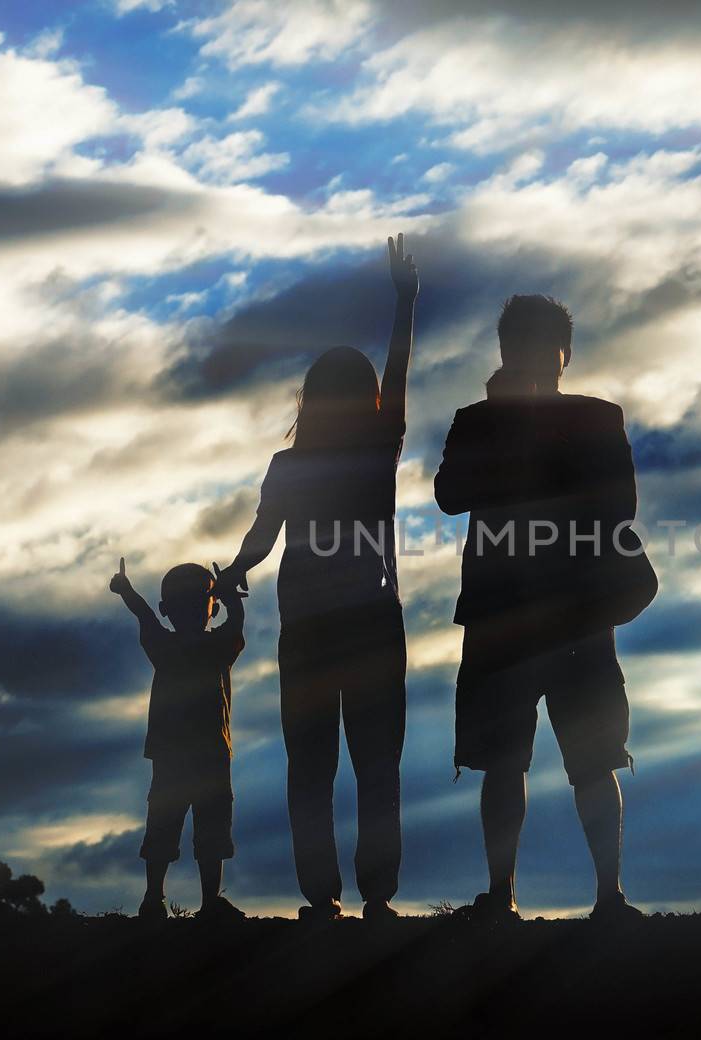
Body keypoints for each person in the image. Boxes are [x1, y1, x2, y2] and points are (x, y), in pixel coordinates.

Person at [213, 235, 418, 921]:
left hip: (308, 628)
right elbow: (400, 369)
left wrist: (235, 572)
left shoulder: (291, 464)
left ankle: (322, 895)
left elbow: (261, 538)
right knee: (375, 763)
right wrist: (405, 303)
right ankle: (377, 896)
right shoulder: (378, 445)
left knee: (313, 766)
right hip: (369, 621)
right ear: (364, 398)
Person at [435, 294, 645, 922]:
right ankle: (504, 895)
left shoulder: (598, 417)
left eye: (540, 343)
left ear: (565, 354)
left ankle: (607, 896)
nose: (529, 355)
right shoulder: (477, 420)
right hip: (509, 611)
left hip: (573, 611)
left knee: (593, 755)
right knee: (505, 759)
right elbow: (449, 496)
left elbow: (620, 506)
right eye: (518, 343)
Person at [109, 556, 247, 921]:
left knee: (171, 825)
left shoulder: (163, 647)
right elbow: (236, 622)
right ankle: (199, 900)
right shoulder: (216, 647)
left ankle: (156, 898)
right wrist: (228, 595)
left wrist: (127, 591)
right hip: (209, 754)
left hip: (179, 755)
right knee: (205, 828)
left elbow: (144, 616)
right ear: (211, 607)